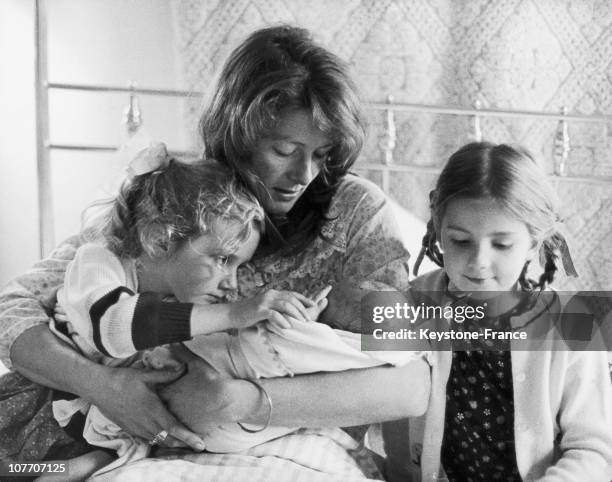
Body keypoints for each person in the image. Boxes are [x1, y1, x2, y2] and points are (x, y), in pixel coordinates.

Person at [0, 25, 430, 481]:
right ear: (239, 133)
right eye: (284, 150)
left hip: (276, 439)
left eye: (322, 154)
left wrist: (237, 400)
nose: (304, 173)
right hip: (118, 425)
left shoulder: (355, 211)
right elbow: (12, 312)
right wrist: (106, 387)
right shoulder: (180, 200)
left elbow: (409, 383)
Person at [383, 142, 612, 481]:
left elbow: (595, 451)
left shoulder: (574, 323)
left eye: (502, 245)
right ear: (438, 230)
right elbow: (380, 405)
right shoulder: (410, 305)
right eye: (460, 241)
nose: (478, 262)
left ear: (534, 243)